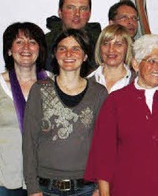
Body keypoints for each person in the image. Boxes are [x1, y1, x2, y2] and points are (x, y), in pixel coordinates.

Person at [84, 34, 158, 195]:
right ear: (136, 64)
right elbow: (103, 154)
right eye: (152, 60)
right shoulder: (116, 101)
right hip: (126, 189)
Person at [22, 29, 108, 195]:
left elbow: (103, 144)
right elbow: (29, 142)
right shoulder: (40, 90)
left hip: (86, 188)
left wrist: (99, 186)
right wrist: (32, 188)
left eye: (76, 48)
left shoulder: (98, 93)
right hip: (46, 188)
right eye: (62, 48)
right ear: (55, 54)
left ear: (85, 56)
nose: (69, 53)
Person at [0, 22, 50, 196]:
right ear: (9, 49)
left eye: (32, 42)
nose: (26, 47)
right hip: (6, 180)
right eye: (19, 42)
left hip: (47, 179)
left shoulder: (55, 84)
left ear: (40, 49)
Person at [45, 0, 101, 72]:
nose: (77, 14)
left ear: (89, 14)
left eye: (83, 8)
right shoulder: (43, 45)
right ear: (60, 12)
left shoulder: (103, 46)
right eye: (71, 8)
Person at [86, 24, 135, 93]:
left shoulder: (138, 83)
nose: (111, 49)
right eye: (106, 44)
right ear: (99, 48)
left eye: (118, 44)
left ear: (127, 48)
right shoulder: (86, 84)